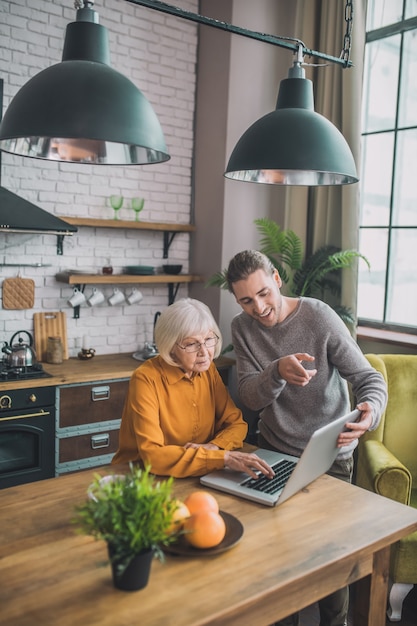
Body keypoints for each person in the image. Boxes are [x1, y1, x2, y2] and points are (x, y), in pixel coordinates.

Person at [225, 250, 388, 626]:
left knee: (329, 559)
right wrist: (277, 371)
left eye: (264, 293)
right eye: (247, 300)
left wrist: (370, 412)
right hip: (274, 452)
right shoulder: (242, 328)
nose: (259, 307)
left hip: (330, 457)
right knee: (280, 560)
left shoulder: (318, 316)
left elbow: (369, 380)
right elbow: (249, 396)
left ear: (277, 279)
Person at [112, 297, 274, 480]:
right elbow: (153, 456)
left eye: (208, 339)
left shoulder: (208, 371)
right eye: (191, 344)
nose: (204, 352)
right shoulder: (145, 379)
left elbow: (236, 424)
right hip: (141, 479)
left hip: (197, 474)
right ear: (170, 346)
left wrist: (214, 448)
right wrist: (223, 458)